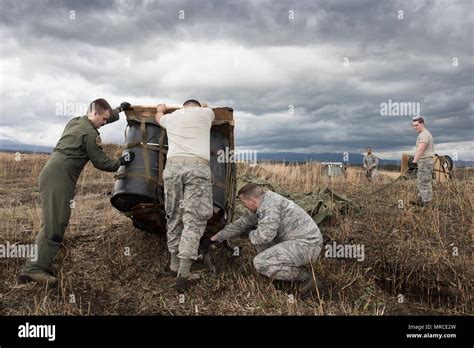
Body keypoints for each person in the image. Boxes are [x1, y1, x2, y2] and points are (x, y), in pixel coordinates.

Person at [18, 99, 134, 284]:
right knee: (56, 223)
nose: (105, 123)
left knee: (51, 221)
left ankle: (40, 261)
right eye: (103, 119)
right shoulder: (89, 135)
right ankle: (33, 269)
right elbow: (102, 163)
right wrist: (122, 161)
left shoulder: (76, 121)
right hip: (60, 178)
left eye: (107, 119)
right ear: (95, 114)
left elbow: (104, 114)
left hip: (52, 172)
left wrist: (119, 109)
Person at [205, 183, 323, 298]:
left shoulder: (270, 207)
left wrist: (250, 234)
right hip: (296, 242)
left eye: (243, 202)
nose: (243, 205)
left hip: (308, 245)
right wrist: (216, 237)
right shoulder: (262, 203)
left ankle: (307, 279)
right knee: (261, 246)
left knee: (260, 262)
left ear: (252, 201)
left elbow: (265, 236)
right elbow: (241, 224)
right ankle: (280, 276)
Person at [155, 99, 215, 292]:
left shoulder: (171, 118)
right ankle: (184, 273)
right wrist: (205, 106)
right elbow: (208, 109)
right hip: (196, 169)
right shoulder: (206, 114)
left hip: (172, 169)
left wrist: (160, 109)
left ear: (183, 107)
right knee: (193, 220)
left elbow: (158, 118)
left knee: (173, 215)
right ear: (198, 106)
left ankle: (174, 263)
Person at [411, 117, 435, 207]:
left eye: (416, 125)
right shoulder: (422, 134)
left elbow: (421, 149)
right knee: (420, 181)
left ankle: (426, 205)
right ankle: (421, 200)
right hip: (423, 161)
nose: (415, 127)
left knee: (424, 182)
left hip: (425, 161)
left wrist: (414, 162)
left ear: (422, 124)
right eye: (413, 126)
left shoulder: (424, 134)